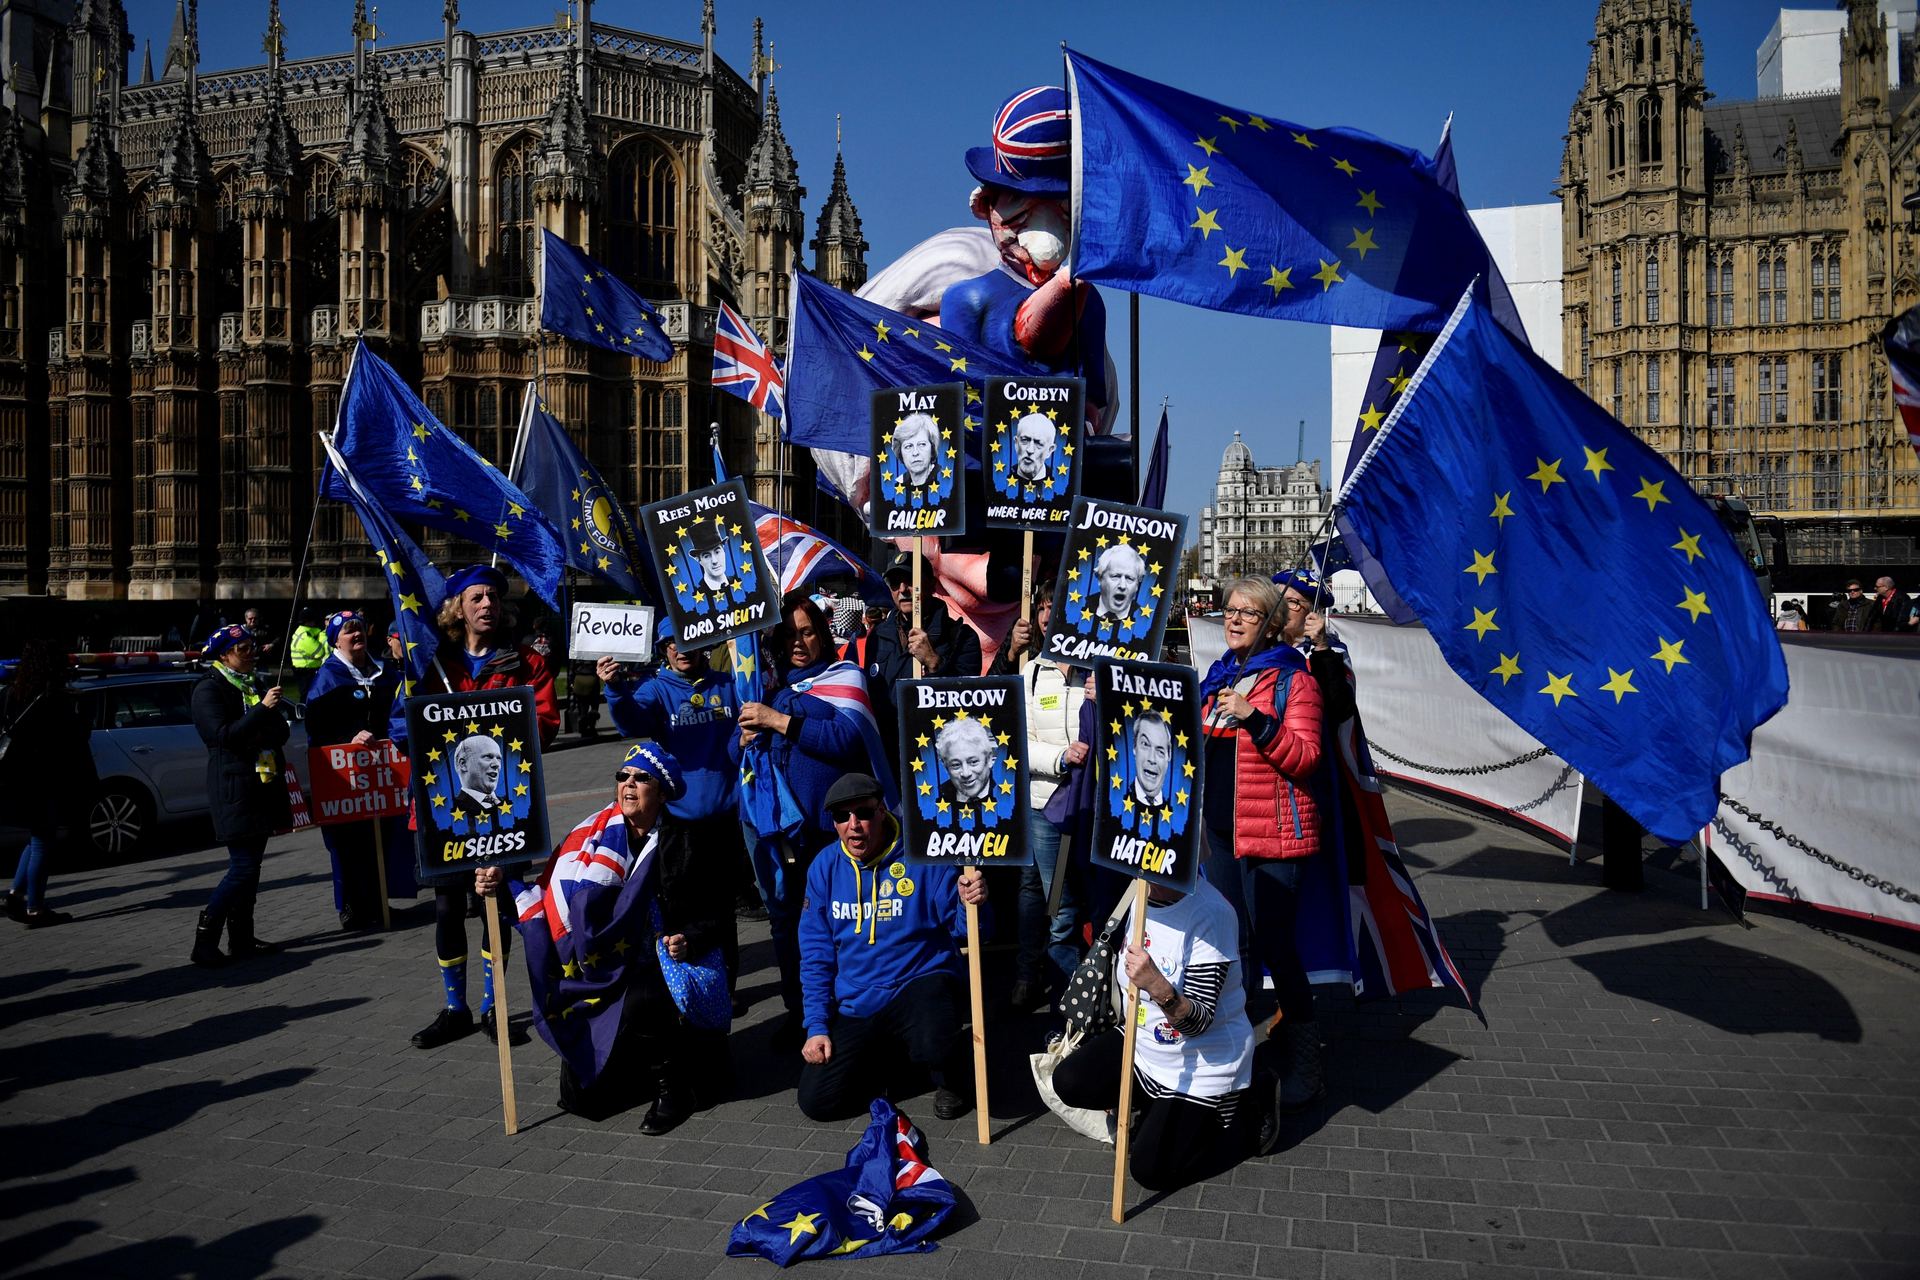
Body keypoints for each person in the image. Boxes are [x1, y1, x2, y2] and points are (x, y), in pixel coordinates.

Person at [484, 741, 732, 1131]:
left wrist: (688, 937)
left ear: (662, 792)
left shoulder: (686, 840)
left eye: (641, 778)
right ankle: (636, 1064)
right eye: (623, 776)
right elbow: (548, 899)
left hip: (664, 964)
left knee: (643, 999)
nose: (629, 784)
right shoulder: (587, 837)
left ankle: (674, 1087)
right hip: (599, 966)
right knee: (582, 1099)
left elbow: (716, 914)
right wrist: (501, 888)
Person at [394, 563, 559, 1050]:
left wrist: (515, 717)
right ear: (457, 610)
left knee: (497, 904)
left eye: (493, 597)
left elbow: (545, 725)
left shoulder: (525, 662)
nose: (487, 604)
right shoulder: (431, 662)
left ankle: (494, 1007)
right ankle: (454, 1008)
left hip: (506, 810)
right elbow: (401, 728)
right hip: (440, 809)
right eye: (476, 598)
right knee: (447, 909)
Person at [1049, 873, 1276, 1189]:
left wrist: (1157, 985)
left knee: (1149, 1171)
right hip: (1142, 1045)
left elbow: (1196, 1024)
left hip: (1204, 1062)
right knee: (1068, 1081)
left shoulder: (1211, 912)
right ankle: (1159, 1110)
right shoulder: (1137, 892)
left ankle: (1247, 1101)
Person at [738, 593, 895, 1044]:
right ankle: (802, 1012)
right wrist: (749, 735)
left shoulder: (845, 678)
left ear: (822, 634)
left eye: (806, 631)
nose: (798, 642)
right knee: (789, 923)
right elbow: (741, 755)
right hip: (784, 835)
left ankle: (850, 1013)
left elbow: (845, 739)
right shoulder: (767, 688)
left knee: (843, 923)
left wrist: (778, 721)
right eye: (788, 634)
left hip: (837, 834)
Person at [1197, 575, 1326, 1106]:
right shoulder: (1219, 676)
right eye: (1229, 610)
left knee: (1276, 945)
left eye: (1247, 613)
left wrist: (1255, 718)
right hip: (1223, 834)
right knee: (1233, 942)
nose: (1233, 619)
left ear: (1272, 623)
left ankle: (1306, 1060)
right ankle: (1240, 1047)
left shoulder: (1295, 681)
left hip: (1273, 834)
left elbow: (1306, 758)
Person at [796, 773, 987, 1122]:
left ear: (882, 810)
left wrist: (970, 901)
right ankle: (904, 1064)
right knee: (817, 1101)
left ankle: (953, 1076)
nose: (853, 826)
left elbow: (965, 932)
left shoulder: (922, 854)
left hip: (919, 980)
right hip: (858, 999)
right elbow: (815, 955)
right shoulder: (824, 866)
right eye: (842, 817)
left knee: (935, 1040)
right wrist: (817, 1026)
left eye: (863, 813)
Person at [598, 617, 752, 995]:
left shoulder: (728, 686)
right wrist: (615, 687)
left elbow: (744, 731)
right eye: (672, 642)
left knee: (723, 911)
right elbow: (630, 721)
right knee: (687, 910)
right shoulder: (656, 688)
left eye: (689, 641)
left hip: (726, 820)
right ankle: (691, 985)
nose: (682, 650)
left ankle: (724, 988)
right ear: (664, 648)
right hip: (679, 825)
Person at [989, 589, 1087, 1010]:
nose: (1050, 616)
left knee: (1081, 895)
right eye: (1043, 607)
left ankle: (1083, 980)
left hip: (1092, 803)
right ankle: (1056, 988)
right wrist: (1061, 759)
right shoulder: (1032, 672)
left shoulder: (1097, 671)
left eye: (1059, 607)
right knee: (1053, 901)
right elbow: (1016, 743)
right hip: (1045, 801)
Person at [188, 624, 292, 967]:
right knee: (243, 868)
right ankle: (205, 938)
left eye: (252, 646)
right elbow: (222, 736)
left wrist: (267, 715)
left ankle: (242, 938)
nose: (252, 653)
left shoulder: (253, 685)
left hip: (260, 785)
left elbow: (280, 731)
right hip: (234, 788)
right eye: (243, 649)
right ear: (224, 655)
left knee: (253, 867)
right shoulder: (210, 689)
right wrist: (261, 710)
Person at [304, 609, 414, 930]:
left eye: (361, 629)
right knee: (348, 843)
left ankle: (380, 902)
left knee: (380, 838)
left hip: (382, 774)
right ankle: (352, 907)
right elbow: (317, 725)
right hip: (344, 780)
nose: (357, 635)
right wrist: (348, 737)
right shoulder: (328, 677)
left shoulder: (382, 673)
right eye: (349, 631)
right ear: (335, 639)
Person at [850, 553, 982, 762]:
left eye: (911, 580)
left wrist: (934, 663)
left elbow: (969, 703)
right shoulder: (878, 635)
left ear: (930, 585)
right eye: (895, 583)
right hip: (889, 756)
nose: (903, 590)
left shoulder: (961, 636)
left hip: (936, 758)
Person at [1, 638, 94, 928]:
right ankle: (35, 907)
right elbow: (75, 739)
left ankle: (16, 893)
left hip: (16, 777)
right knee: (43, 840)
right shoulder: (57, 699)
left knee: (36, 837)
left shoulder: (10, 693)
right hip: (46, 778)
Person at [933, 716, 997, 807]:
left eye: (973, 762)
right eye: (956, 765)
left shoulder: (1009, 794)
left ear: (989, 759)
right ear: (945, 765)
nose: (966, 773)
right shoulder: (935, 798)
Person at [1092, 543, 1146, 624]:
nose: (1122, 586)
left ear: (1137, 585)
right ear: (1100, 578)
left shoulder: (1144, 619)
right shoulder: (1080, 607)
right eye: (1116, 576)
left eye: (1129, 578)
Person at [893, 412, 941, 491]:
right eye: (908, 446)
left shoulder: (946, 480)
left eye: (922, 444)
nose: (915, 453)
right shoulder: (898, 484)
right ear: (900, 453)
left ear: (932, 448)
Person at [287, 607, 328, 696]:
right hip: (307, 671)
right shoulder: (305, 636)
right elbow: (320, 653)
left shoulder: (302, 633)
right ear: (310, 621)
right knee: (309, 696)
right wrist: (322, 638)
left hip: (305, 670)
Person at [1013, 413, 1058, 484]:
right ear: (1016, 443)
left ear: (1050, 450)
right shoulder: (1002, 478)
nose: (1030, 450)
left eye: (1038, 443)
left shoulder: (1058, 481)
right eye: (1025, 440)